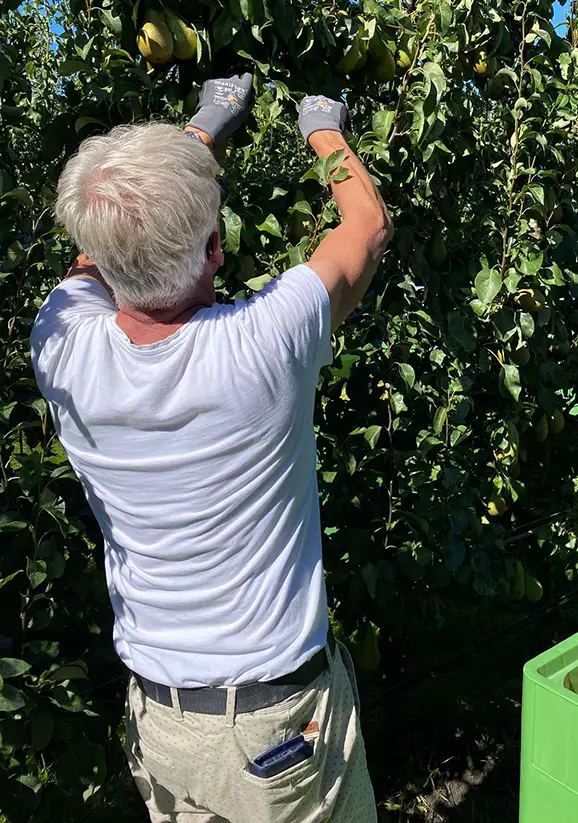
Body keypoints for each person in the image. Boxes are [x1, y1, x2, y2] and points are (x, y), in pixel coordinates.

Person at [30, 76, 393, 823]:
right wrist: (323, 130)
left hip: (161, 724)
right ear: (216, 251)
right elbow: (366, 223)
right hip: (275, 733)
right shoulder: (264, 344)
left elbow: (93, 259)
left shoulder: (62, 347)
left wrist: (202, 127)